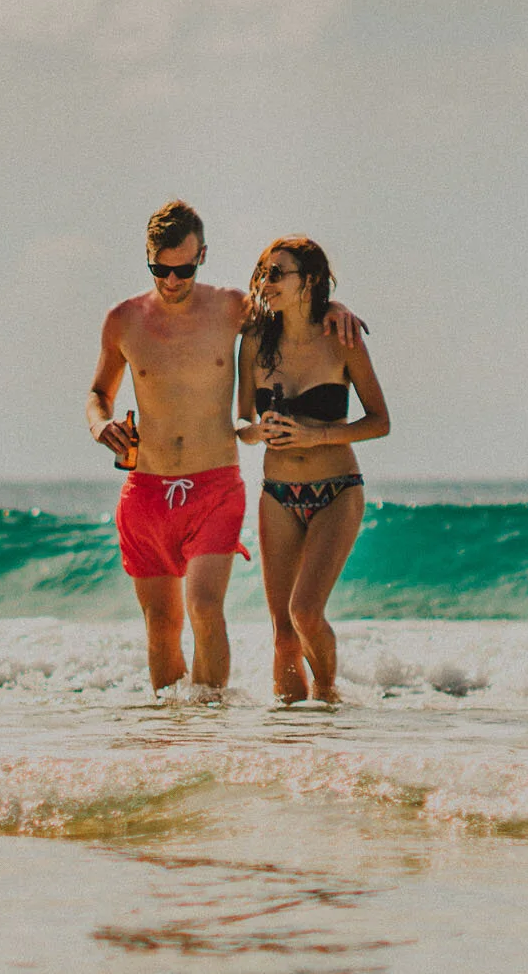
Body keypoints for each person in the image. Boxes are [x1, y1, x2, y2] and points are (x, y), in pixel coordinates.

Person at [88, 202, 361, 696]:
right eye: (160, 268)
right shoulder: (123, 319)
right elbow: (98, 394)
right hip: (146, 489)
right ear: (148, 258)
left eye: (184, 269)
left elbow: (295, 307)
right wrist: (100, 424)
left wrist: (335, 308)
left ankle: (210, 726)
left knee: (205, 605)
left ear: (203, 256)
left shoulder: (232, 307)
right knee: (161, 625)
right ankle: (178, 742)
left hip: (214, 483)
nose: (172, 280)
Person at [236, 235, 389, 704]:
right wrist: (257, 431)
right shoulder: (255, 341)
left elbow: (380, 421)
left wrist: (316, 435)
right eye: (263, 272)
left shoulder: (341, 337)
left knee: (304, 612)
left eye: (278, 273)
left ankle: (327, 696)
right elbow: (240, 420)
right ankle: (294, 748)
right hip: (278, 494)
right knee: (283, 635)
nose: (267, 282)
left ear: (310, 281)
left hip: (337, 490)